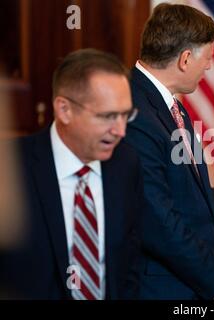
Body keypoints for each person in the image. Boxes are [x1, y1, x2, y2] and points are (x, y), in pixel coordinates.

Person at [0, 48, 142, 299]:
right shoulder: (10, 167)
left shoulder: (126, 163)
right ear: (64, 109)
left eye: (125, 115)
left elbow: (129, 259)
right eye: (108, 116)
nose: (120, 130)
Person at [124, 3, 214, 300]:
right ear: (186, 59)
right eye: (209, 58)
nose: (210, 67)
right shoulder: (135, 112)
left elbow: (193, 201)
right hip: (160, 288)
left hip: (190, 283)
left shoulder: (170, 107)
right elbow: (156, 218)